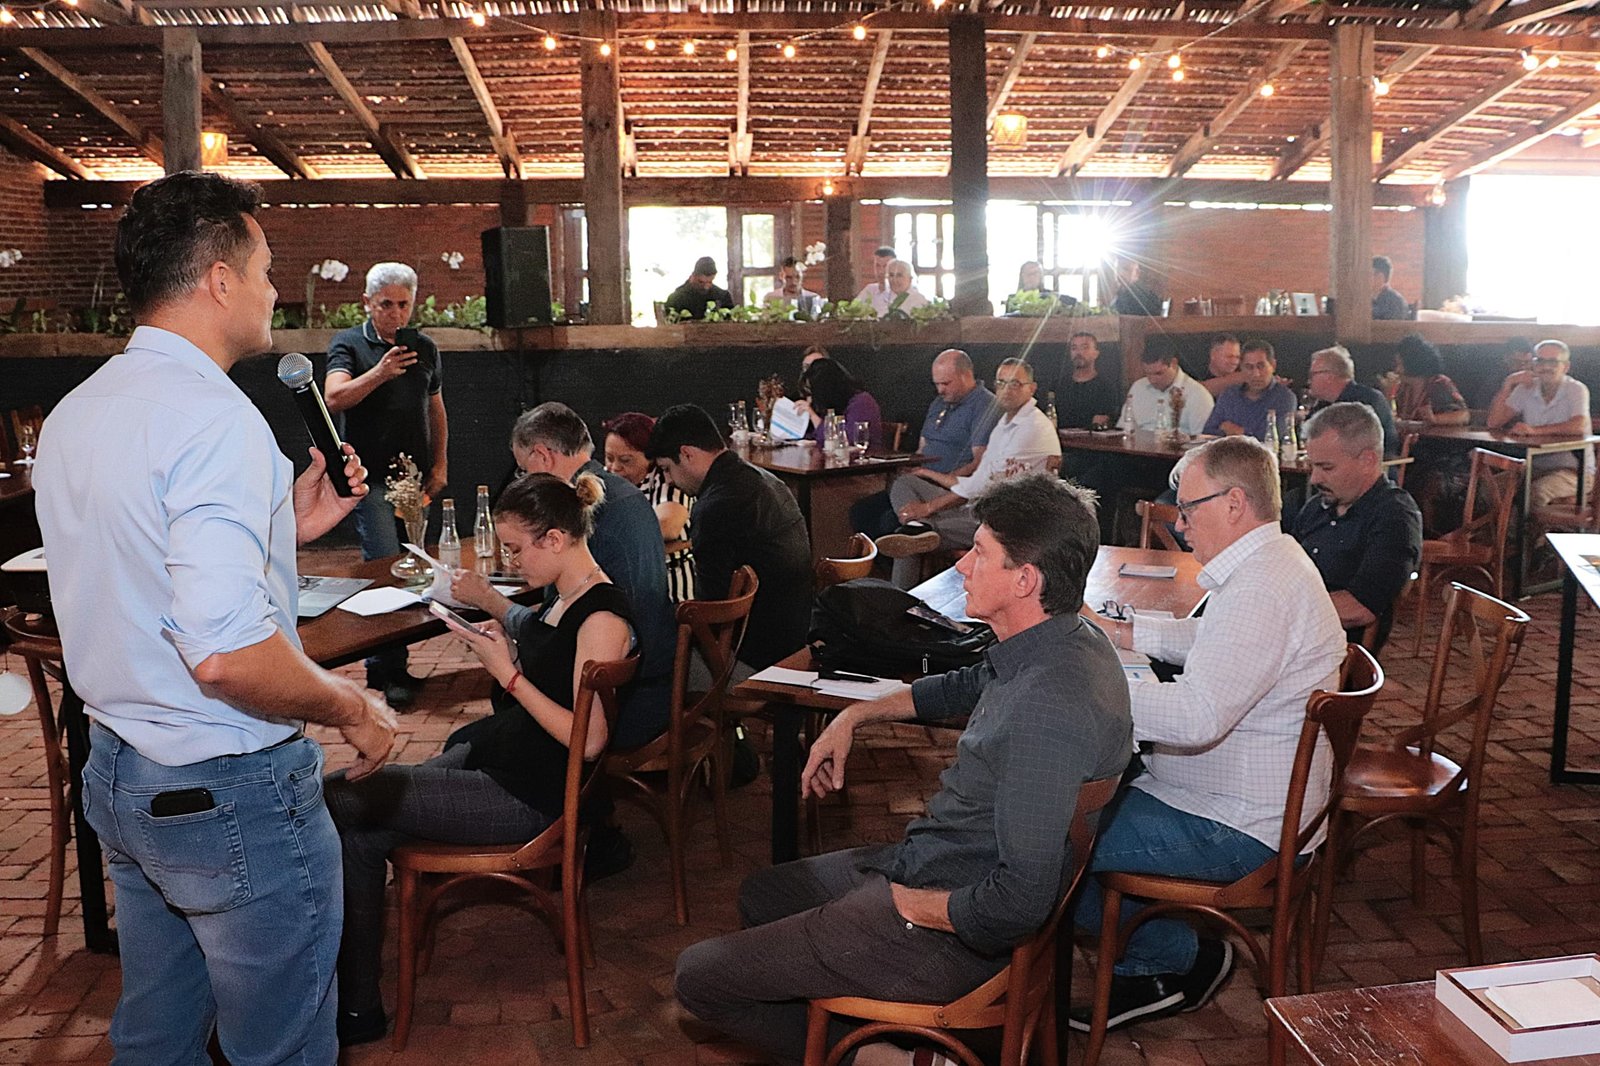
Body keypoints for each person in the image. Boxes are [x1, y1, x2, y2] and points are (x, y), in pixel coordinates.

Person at [34, 170, 398, 1064]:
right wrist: (351, 707)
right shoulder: (213, 420)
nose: (277, 288)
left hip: (122, 771)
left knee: (158, 1036)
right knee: (280, 1044)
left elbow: (136, 564)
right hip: (226, 790)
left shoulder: (81, 410)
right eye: (267, 267)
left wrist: (292, 520)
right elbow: (228, 657)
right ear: (221, 279)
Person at [675, 475, 1133, 1066]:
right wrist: (856, 716)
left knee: (699, 978)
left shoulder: (1045, 709)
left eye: (981, 553)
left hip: (949, 930)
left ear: (1026, 580)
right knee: (766, 892)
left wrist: (911, 907)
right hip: (935, 867)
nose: (964, 564)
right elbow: (959, 685)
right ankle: (864, 1024)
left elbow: (1020, 900)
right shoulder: (1067, 641)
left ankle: (896, 1059)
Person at [326, 472, 633, 1047]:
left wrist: (507, 674)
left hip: (528, 801)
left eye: (517, 549)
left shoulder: (601, 617)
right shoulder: (566, 597)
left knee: (342, 795)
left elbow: (587, 740)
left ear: (556, 539)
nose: (512, 561)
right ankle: (357, 1005)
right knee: (361, 825)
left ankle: (342, 992)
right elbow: (556, 678)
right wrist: (504, 640)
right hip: (507, 767)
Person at [1073, 436, 1346, 1033]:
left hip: (1243, 827)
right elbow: (1215, 646)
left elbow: (1197, 718)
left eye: (1188, 507)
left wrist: (1091, 692)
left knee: (1046, 847)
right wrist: (1122, 635)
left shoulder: (1262, 587)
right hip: (1244, 800)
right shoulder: (1271, 564)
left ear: (1234, 502)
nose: (1181, 520)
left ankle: (1173, 961)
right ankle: (1170, 951)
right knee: (1071, 814)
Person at [450, 403, 674, 749]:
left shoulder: (586, 516)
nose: (525, 482)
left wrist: (489, 602)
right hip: (657, 675)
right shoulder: (620, 492)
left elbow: (560, 635)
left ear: (542, 456)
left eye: (524, 472)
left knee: (474, 741)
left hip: (628, 701)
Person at [325, 260, 449, 707]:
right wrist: (380, 371)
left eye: (404, 304)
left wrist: (441, 462)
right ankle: (383, 670)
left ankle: (399, 663)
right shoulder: (350, 344)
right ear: (367, 303)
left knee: (415, 568)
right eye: (386, 305)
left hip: (414, 479)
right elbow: (334, 396)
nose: (396, 315)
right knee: (382, 566)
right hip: (370, 479)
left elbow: (436, 407)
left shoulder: (426, 348)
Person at [645, 405, 813, 674]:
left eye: (666, 469)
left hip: (755, 659)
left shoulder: (716, 506)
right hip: (797, 640)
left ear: (686, 454)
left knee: (641, 652)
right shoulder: (766, 480)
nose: (669, 481)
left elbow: (711, 611)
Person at [885, 358, 1061, 588]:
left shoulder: (1032, 426)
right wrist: (929, 474)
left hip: (1008, 520)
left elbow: (983, 487)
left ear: (1032, 388)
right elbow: (978, 480)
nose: (1006, 390)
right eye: (1001, 383)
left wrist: (928, 508)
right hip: (980, 505)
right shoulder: (1007, 423)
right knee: (905, 482)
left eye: (1015, 384)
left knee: (908, 539)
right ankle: (919, 527)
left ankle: (899, 608)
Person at [1292, 403, 1422, 652]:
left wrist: (1281, 612)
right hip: (1298, 643)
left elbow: (1360, 608)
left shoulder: (1394, 516)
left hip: (1337, 660)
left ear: (1367, 460)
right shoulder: (1318, 506)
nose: (1315, 478)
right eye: (1313, 466)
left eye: (1326, 467)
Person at [850, 349, 998, 540]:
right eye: (936, 384)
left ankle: (916, 534)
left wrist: (941, 477)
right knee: (861, 511)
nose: (940, 390)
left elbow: (978, 463)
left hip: (947, 489)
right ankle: (890, 557)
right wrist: (907, 464)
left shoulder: (984, 405)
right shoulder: (939, 402)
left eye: (946, 383)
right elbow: (922, 447)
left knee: (889, 521)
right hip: (920, 480)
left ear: (966, 375)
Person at [601, 411, 696, 601]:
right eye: (609, 458)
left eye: (625, 460)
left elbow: (668, 527)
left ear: (650, 457)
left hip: (669, 592)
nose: (614, 468)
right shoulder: (605, 481)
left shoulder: (668, 479)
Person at [1488, 338, 1595, 507]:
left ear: (1565, 367)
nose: (1545, 367)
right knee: (1489, 487)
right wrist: (1508, 384)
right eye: (1540, 361)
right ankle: (1499, 533)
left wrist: (1534, 431)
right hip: (1534, 467)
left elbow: (1578, 425)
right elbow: (1494, 422)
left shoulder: (1576, 389)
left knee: (1536, 492)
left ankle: (1529, 534)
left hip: (1575, 471)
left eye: (1552, 362)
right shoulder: (1526, 388)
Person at [1305, 344, 1399, 458]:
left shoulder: (1368, 400)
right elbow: (1307, 435)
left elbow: (1361, 446)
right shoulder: (1323, 404)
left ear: (1329, 376)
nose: (1309, 381)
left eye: (1312, 375)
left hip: (1369, 468)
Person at [1202, 339, 1296, 441]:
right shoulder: (1229, 394)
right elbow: (1208, 432)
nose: (1256, 374)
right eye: (1249, 367)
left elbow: (1271, 438)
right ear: (1241, 368)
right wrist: (1247, 434)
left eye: (1261, 366)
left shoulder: (1284, 397)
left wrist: (1239, 431)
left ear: (1273, 365)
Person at [1119, 347, 1214, 436]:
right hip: (1137, 450)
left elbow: (1202, 441)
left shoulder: (1197, 394)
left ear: (1173, 363)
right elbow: (1123, 428)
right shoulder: (1138, 388)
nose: (1152, 380)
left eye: (1158, 373)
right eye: (1148, 374)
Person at [794, 356, 882, 449]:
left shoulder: (862, 402)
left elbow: (847, 439)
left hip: (865, 459)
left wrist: (813, 415)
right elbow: (819, 437)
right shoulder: (836, 403)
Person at [1394, 334, 1470, 426]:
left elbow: (1464, 415)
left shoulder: (1440, 383)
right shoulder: (1403, 388)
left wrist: (1435, 419)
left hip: (1436, 439)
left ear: (1412, 363)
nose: (1396, 370)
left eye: (1400, 364)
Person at [1057, 331, 1122, 430]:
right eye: (1074, 348)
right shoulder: (1059, 385)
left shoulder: (1106, 387)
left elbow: (1107, 421)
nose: (1078, 353)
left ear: (1096, 354)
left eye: (1084, 347)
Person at [665, 255, 735, 321]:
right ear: (692, 277)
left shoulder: (722, 297)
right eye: (701, 282)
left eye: (710, 282)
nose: (706, 287)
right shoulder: (676, 298)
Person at [1005, 259, 1078, 313]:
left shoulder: (1051, 297)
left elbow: (1074, 302)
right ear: (1022, 276)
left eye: (1035, 273)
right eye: (1028, 274)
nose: (1032, 277)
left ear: (1041, 277)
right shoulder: (1013, 300)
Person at [1196, 334, 1246, 399]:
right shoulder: (1196, 372)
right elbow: (1196, 391)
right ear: (1213, 355)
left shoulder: (1243, 370)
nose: (1235, 362)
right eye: (1229, 356)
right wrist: (1238, 378)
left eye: (1237, 357)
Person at [1371, 255, 1410, 321]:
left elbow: (1394, 328)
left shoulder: (1395, 301)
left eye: (1368, 274)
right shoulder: (1365, 300)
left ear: (1380, 276)